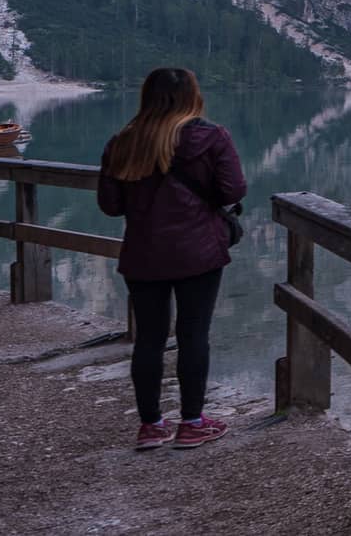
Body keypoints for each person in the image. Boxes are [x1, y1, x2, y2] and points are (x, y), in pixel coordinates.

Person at [97, 67, 246, 450]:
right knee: (193, 335)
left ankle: (151, 426)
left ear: (147, 96)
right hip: (198, 252)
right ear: (192, 97)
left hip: (143, 253)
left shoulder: (122, 142)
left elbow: (110, 206)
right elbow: (233, 189)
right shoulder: (211, 137)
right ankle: (192, 423)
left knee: (149, 338)